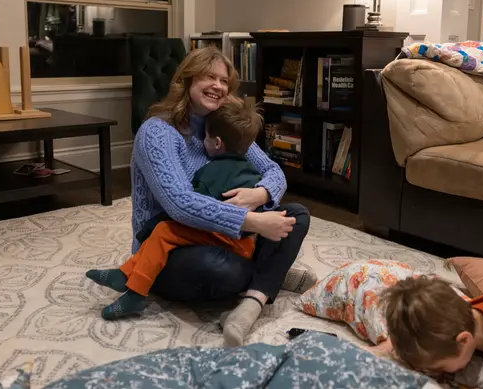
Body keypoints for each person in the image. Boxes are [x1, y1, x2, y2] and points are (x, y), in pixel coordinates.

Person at [86, 47, 315, 347]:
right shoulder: (158, 132)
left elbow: (274, 172)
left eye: (224, 80)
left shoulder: (224, 127)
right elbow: (179, 204)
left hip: (220, 237)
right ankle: (271, 273)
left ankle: (250, 305)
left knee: (296, 215)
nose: (218, 86)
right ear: (187, 80)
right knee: (225, 270)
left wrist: (259, 193)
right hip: (167, 248)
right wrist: (251, 220)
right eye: (209, 77)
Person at [91, 97, 268, 320]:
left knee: (164, 231)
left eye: (205, 136)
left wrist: (149, 229)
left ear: (217, 143)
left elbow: (190, 211)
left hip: (229, 240)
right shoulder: (251, 169)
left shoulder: (210, 174)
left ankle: (134, 292)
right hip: (246, 242)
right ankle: (126, 272)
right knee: (167, 233)